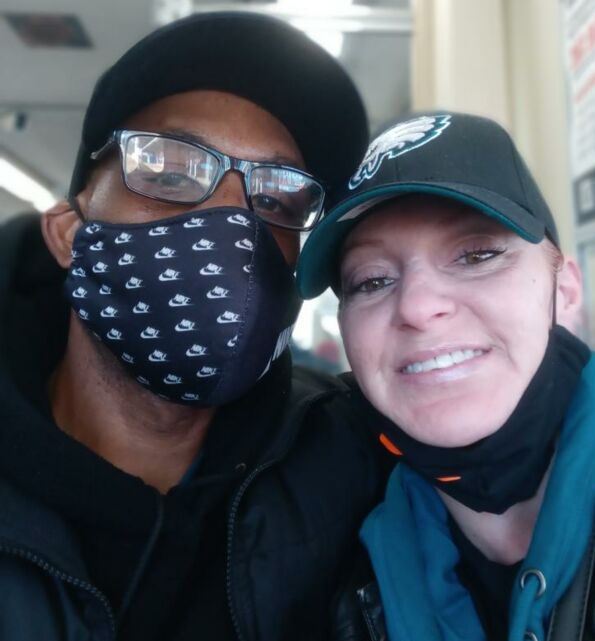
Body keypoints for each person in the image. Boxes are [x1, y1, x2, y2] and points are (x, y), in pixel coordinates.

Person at [0, 13, 385, 641]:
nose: (234, 219)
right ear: (69, 232)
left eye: (275, 199)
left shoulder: (346, 461)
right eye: (169, 173)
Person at [297, 112, 595, 641]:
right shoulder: (327, 549)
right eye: (372, 281)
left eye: (477, 255)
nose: (417, 307)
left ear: (566, 290)